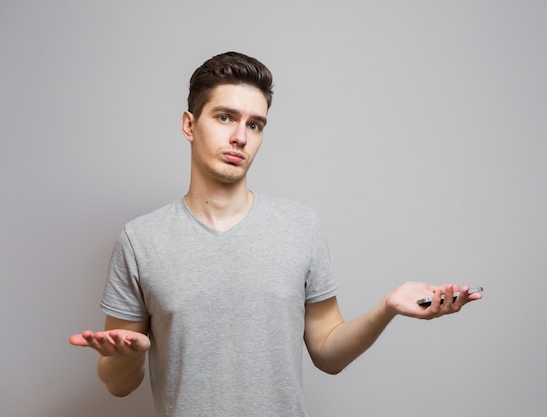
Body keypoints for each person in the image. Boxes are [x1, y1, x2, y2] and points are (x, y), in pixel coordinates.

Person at [69, 51, 482, 417]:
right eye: (225, 117)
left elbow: (328, 353)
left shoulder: (300, 227)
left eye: (255, 124)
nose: (240, 137)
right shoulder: (141, 241)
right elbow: (119, 384)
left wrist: (387, 308)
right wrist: (124, 358)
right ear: (189, 125)